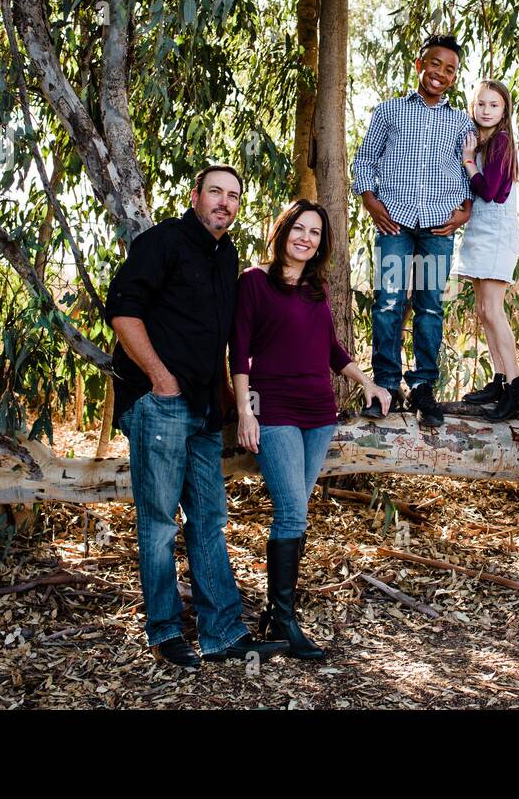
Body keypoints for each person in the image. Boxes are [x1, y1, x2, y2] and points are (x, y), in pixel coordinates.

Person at [104, 165, 287, 670]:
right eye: (216, 193)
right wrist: (161, 380)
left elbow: (219, 334)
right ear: (195, 196)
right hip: (159, 405)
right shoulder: (161, 242)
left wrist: (227, 393)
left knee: (208, 520)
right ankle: (164, 631)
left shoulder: (226, 256)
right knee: (159, 522)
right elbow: (122, 312)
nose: (224, 203)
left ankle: (223, 632)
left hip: (205, 411)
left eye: (233, 196)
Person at [230, 199, 392, 660]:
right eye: (299, 228)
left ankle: (275, 615)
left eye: (315, 233)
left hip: (319, 414)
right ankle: (284, 618)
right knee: (292, 512)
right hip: (274, 410)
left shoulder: (315, 290)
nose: (306, 237)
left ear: (321, 243)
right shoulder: (253, 282)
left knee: (296, 513)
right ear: (283, 231)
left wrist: (368, 383)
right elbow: (238, 351)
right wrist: (245, 411)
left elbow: (333, 351)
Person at [351, 33, 476, 427]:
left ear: (455, 78)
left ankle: (423, 387)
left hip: (438, 227)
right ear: (420, 64)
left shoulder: (460, 122)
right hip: (394, 223)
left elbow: (471, 170)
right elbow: (365, 159)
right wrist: (370, 201)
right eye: (435, 64)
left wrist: (466, 210)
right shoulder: (389, 111)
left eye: (450, 69)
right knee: (388, 302)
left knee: (430, 306)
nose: (441, 73)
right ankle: (385, 387)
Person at [451, 79, 519, 421]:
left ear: (504, 112)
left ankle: (517, 387)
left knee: (494, 311)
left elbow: (492, 192)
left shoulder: (500, 142)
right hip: (479, 230)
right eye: (481, 104)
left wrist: (469, 161)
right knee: (484, 311)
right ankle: (500, 380)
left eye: (494, 105)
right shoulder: (483, 141)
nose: (486, 110)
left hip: (496, 232)